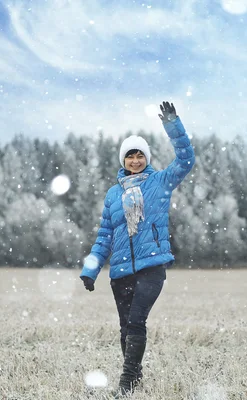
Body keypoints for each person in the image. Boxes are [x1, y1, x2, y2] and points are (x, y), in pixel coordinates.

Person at [80, 101, 195, 396]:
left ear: (146, 158)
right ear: (123, 160)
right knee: (125, 328)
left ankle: (127, 381)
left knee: (135, 321)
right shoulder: (113, 194)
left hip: (151, 265)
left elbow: (185, 160)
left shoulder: (160, 182)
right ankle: (136, 374)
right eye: (129, 156)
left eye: (139, 155)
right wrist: (91, 269)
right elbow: (105, 235)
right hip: (119, 271)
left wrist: (173, 125)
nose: (134, 160)